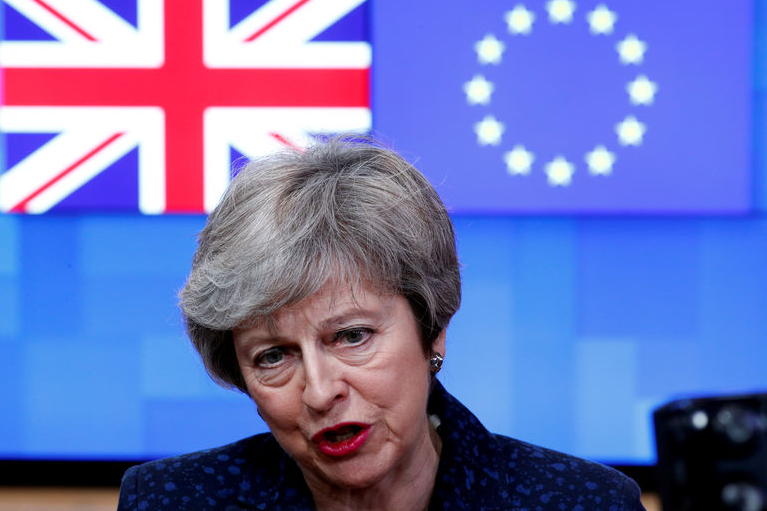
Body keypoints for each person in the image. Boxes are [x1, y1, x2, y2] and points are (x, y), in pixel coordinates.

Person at [118, 136, 645, 510]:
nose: (320, 393)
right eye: (273, 356)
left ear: (432, 327)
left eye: (352, 336)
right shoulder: (170, 500)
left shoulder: (583, 502)